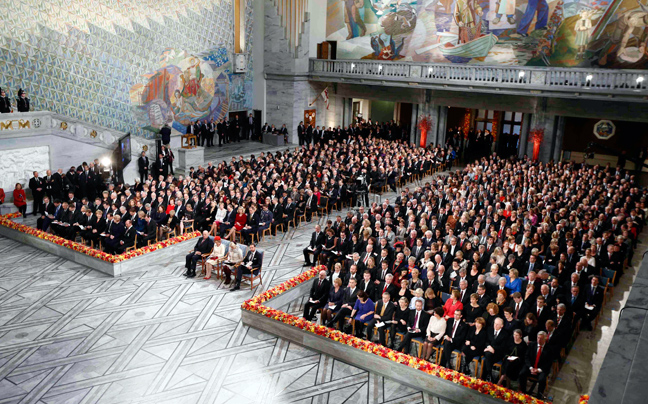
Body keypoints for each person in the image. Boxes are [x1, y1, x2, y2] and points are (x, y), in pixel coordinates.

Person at [518, 331, 553, 399]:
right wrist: (531, 368)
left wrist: (538, 370)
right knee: (522, 373)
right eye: (538, 338)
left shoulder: (549, 349)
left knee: (542, 379)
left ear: (545, 339)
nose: (539, 340)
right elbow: (527, 357)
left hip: (541, 369)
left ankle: (539, 396)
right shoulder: (532, 345)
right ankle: (523, 392)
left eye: (541, 338)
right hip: (531, 367)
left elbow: (548, 363)